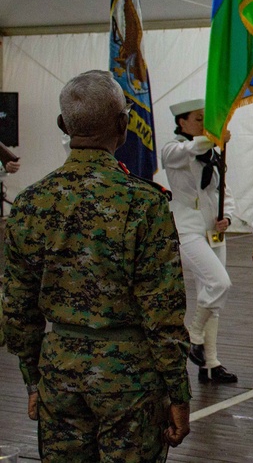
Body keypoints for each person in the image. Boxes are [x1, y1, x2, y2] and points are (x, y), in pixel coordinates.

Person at [2, 70, 191, 460]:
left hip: (59, 375)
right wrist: (178, 393)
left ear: (63, 126)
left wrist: (33, 382)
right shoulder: (144, 203)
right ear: (123, 125)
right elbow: (164, 314)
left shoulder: (30, 203)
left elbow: (17, 309)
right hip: (130, 381)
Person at [161, 98, 238, 384]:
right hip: (187, 230)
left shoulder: (212, 153)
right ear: (181, 122)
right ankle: (193, 334)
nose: (203, 124)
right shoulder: (173, 150)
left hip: (212, 230)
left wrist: (227, 217)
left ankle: (210, 363)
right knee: (219, 283)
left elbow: (223, 191)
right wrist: (213, 136)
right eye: (197, 119)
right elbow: (192, 148)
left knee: (214, 299)